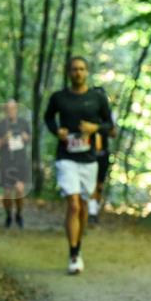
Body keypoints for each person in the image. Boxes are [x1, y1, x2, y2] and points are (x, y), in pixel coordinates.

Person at [44, 56, 113, 275]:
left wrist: (95, 128)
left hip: (89, 159)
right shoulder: (59, 98)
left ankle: (78, 246)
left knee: (83, 206)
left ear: (87, 72)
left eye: (82, 69)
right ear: (68, 72)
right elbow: (48, 118)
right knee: (73, 204)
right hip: (66, 157)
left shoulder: (97, 98)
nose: (78, 73)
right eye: (74, 69)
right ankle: (73, 253)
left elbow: (109, 124)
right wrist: (58, 131)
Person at [0, 100, 32, 228]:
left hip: (21, 161)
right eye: (8, 109)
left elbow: (30, 139)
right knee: (7, 193)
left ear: (17, 109)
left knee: (20, 190)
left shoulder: (23, 123)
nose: (11, 111)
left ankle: (19, 214)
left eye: (13, 108)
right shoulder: (1, 125)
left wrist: (26, 137)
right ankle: (8, 215)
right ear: (5, 110)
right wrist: (4, 139)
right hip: (6, 162)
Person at [88, 102, 117, 224]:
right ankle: (91, 213)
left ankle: (94, 209)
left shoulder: (108, 117)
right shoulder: (87, 115)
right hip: (89, 154)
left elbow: (113, 134)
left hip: (103, 154)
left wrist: (103, 126)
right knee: (92, 185)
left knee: (99, 185)